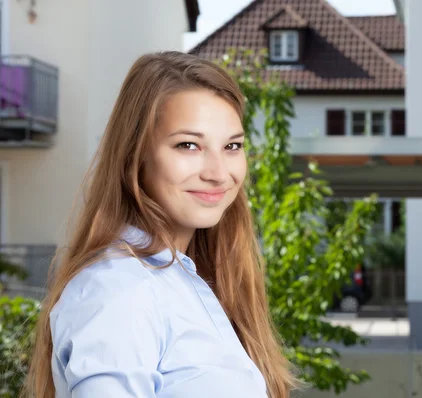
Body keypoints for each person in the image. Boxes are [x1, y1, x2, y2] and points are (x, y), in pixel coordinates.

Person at [25, 51, 297, 398]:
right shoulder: (119, 289)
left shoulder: (187, 282)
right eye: (188, 145)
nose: (217, 173)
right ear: (135, 154)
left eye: (232, 145)